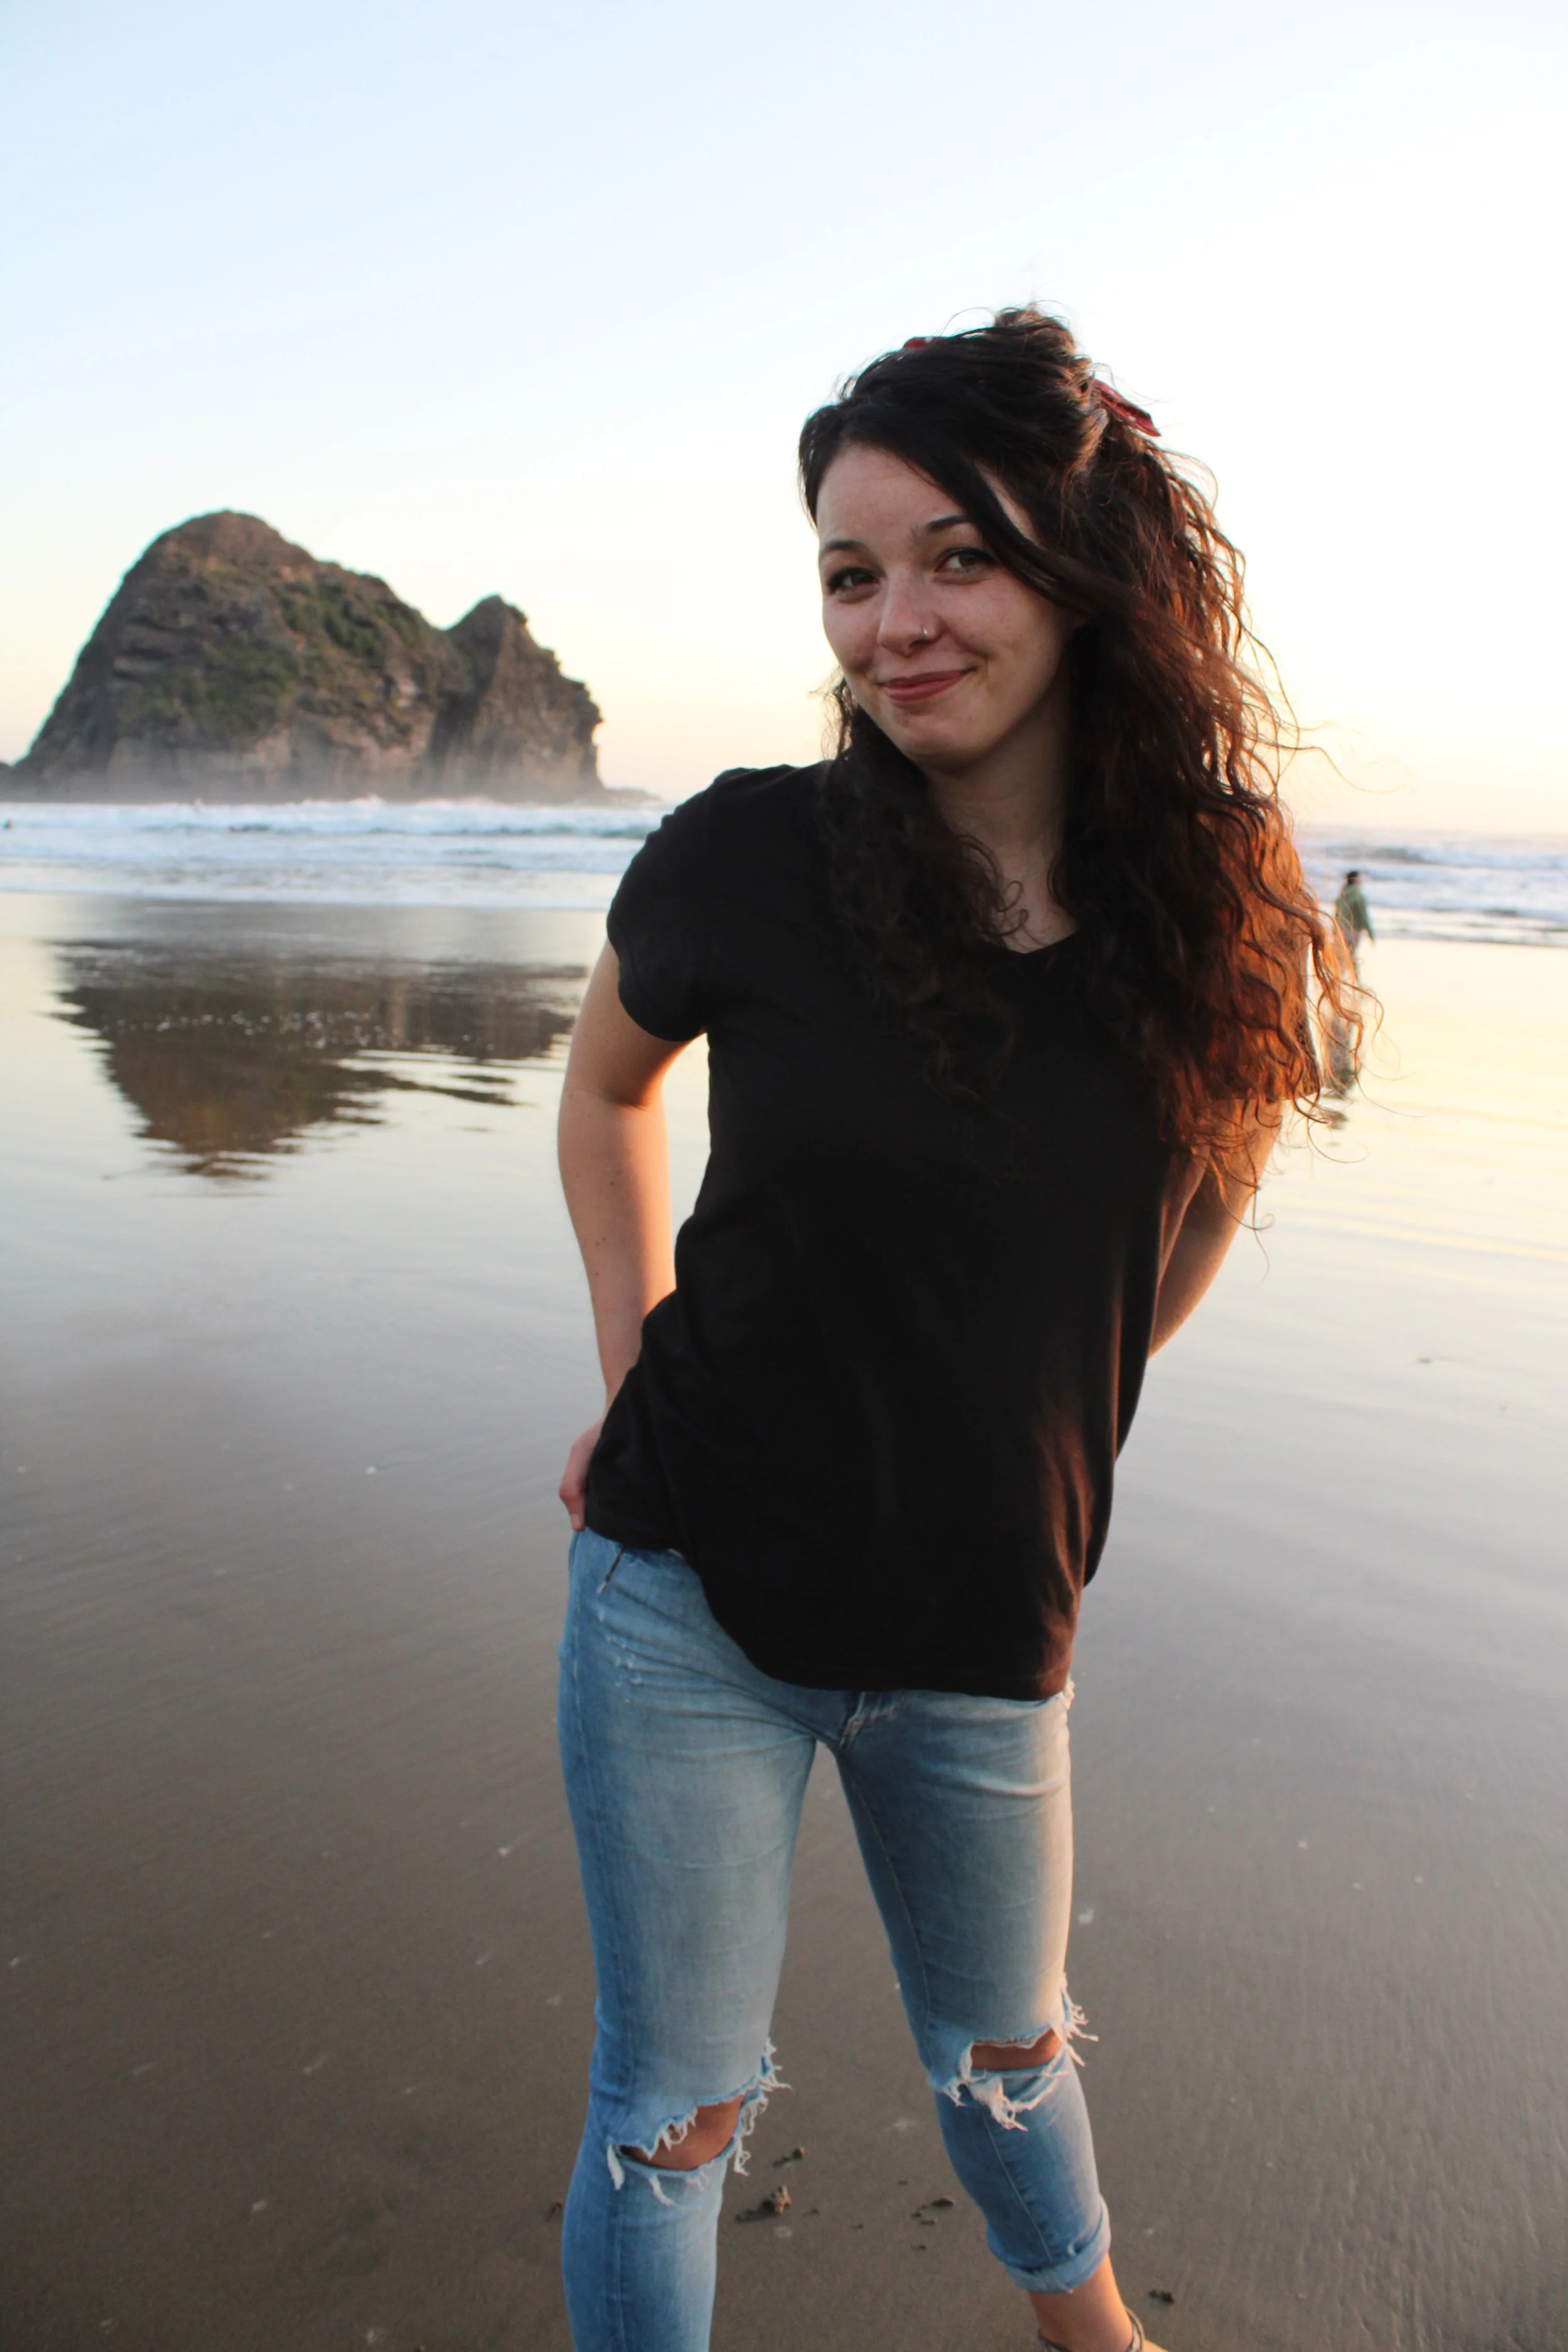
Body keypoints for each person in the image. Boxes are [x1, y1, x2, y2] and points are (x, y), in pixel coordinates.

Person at [554, 310, 1351, 2352]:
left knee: (1011, 2051)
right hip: (686, 1601)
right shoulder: (748, 853)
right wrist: (640, 1371)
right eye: (848, 570)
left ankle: (1097, 2341)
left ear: (1086, 570)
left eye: (955, 556)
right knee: (674, 2113)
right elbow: (607, 1090)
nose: (894, 620)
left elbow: (1225, 1169)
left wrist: (1050, 1408)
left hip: (991, 1625)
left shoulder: (1227, 890)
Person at [1333, 868, 1375, 967]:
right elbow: (1364, 916)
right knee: (1351, 958)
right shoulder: (1358, 896)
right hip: (1354, 932)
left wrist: (1335, 931)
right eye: (1360, 879)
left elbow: (1337, 914)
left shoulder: (1342, 895)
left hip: (1341, 930)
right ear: (1356, 880)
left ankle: (1340, 978)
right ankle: (1354, 980)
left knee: (1342, 958)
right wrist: (1370, 933)